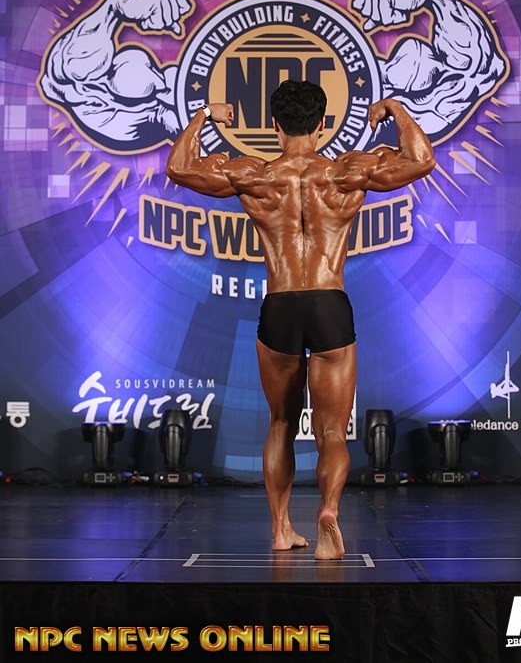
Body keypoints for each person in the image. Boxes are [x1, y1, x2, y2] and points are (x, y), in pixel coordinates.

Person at [166, 81, 435, 559]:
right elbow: (421, 160)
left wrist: (205, 113)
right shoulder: (347, 170)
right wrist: (394, 107)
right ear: (323, 124)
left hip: (281, 305)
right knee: (331, 432)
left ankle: (281, 529)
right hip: (329, 303)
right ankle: (328, 510)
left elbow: (180, 168)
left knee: (280, 424)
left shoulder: (255, 174)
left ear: (274, 125)